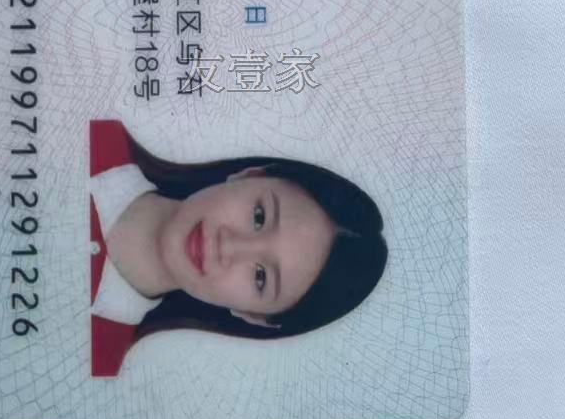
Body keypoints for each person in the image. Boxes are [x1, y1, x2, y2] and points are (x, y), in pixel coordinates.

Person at [89, 119, 388, 376]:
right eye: (259, 216)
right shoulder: (96, 132)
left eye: (260, 277)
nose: (229, 245)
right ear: (250, 174)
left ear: (252, 315)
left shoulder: (99, 361)